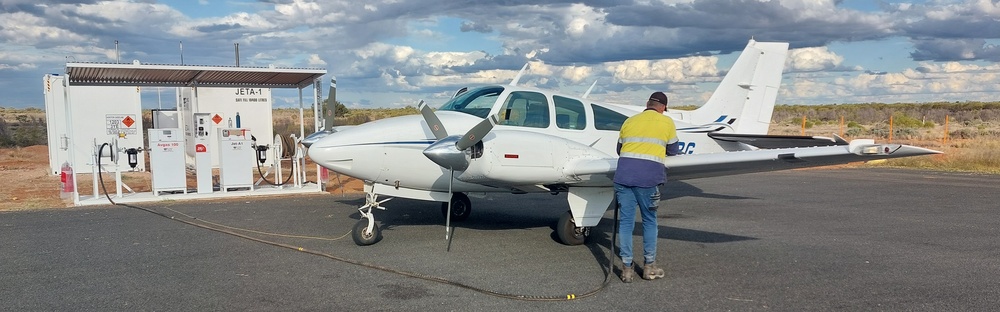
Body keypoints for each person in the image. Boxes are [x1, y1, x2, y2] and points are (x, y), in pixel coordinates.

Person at [614, 91, 680, 283]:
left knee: (626, 223)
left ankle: (626, 270)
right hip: (648, 179)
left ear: (647, 104)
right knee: (649, 221)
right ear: (664, 108)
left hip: (623, 178)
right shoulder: (667, 122)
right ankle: (649, 267)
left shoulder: (630, 121)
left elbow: (619, 149)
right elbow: (673, 150)